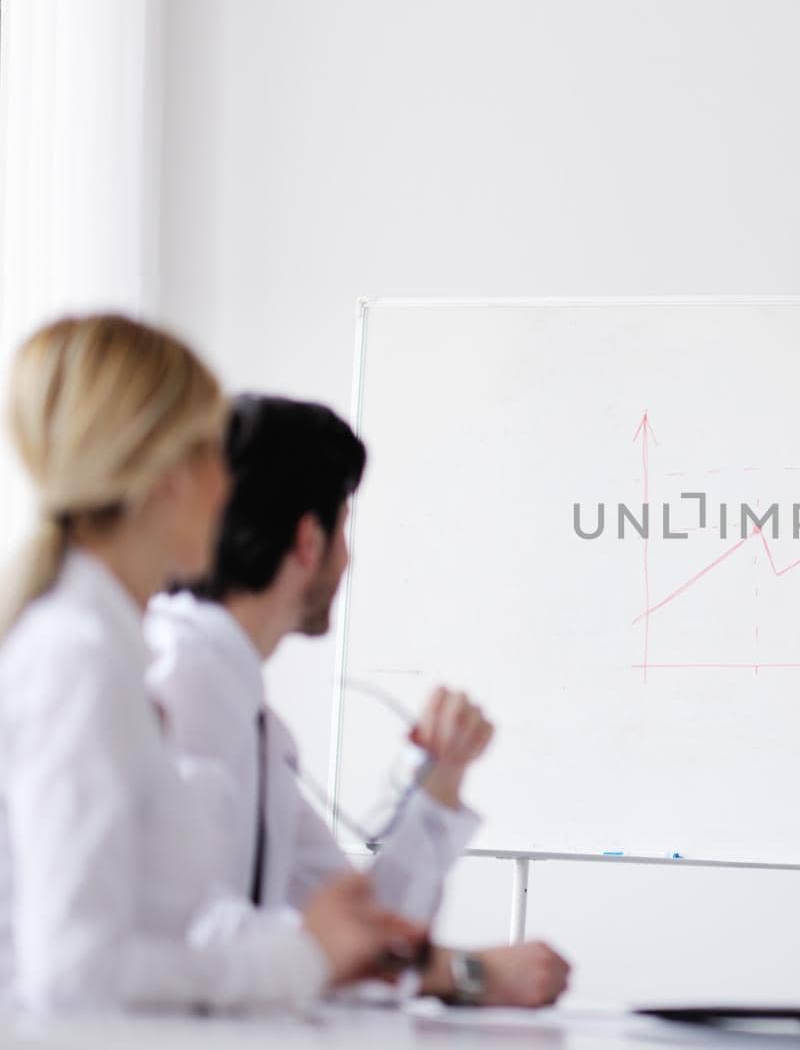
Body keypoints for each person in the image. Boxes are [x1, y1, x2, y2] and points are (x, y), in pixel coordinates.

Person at [0, 315, 422, 1013]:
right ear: (165, 474)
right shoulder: (79, 661)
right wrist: (298, 957)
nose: (230, 490)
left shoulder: (107, 654)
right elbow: (75, 972)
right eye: (212, 455)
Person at [146, 395, 569, 1008]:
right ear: (309, 540)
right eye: (345, 527)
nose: (349, 558)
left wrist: (443, 776)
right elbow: (194, 940)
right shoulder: (178, 687)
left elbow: (368, 928)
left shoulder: (246, 715)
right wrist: (459, 971)